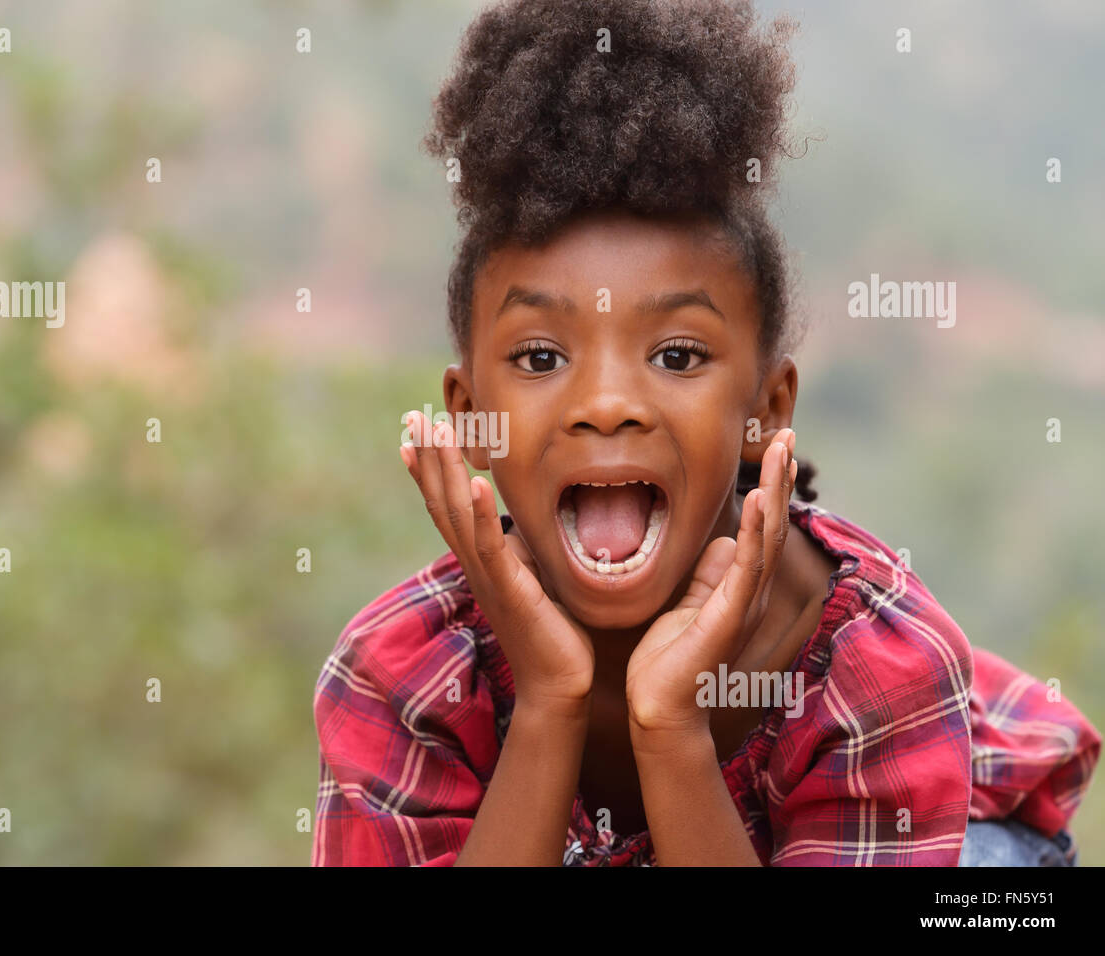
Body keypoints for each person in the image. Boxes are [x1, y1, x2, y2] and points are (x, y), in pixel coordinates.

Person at [311, 0, 1100, 866]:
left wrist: (673, 729)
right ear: (470, 417)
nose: (607, 404)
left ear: (767, 408)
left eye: (678, 354)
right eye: (540, 357)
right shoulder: (407, 674)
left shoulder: (873, 664)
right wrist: (545, 704)